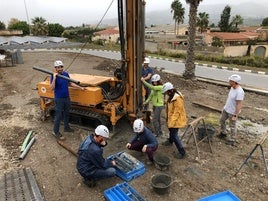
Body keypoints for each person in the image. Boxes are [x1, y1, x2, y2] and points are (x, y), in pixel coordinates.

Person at [50, 60, 84, 140]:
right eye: (58, 67)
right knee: (58, 115)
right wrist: (54, 77)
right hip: (59, 99)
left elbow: (70, 83)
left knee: (67, 113)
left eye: (61, 67)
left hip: (66, 97)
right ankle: (55, 131)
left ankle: (66, 127)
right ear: (55, 68)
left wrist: (80, 88)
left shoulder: (65, 74)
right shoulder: (53, 76)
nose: (60, 69)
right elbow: (52, 88)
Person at [162, 82, 187, 159]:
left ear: (170, 90)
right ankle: (170, 141)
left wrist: (171, 123)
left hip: (176, 120)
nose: (166, 94)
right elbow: (171, 104)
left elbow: (177, 112)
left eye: (166, 92)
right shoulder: (172, 96)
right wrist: (166, 102)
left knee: (174, 135)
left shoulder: (178, 99)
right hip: (171, 118)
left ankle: (182, 152)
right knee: (171, 131)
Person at [218, 74, 245, 146]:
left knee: (232, 126)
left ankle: (232, 139)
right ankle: (223, 133)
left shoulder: (240, 92)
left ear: (234, 82)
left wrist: (235, 115)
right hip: (226, 109)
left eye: (230, 81)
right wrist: (225, 107)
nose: (229, 82)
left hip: (233, 112)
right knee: (221, 120)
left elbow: (239, 104)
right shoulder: (232, 88)